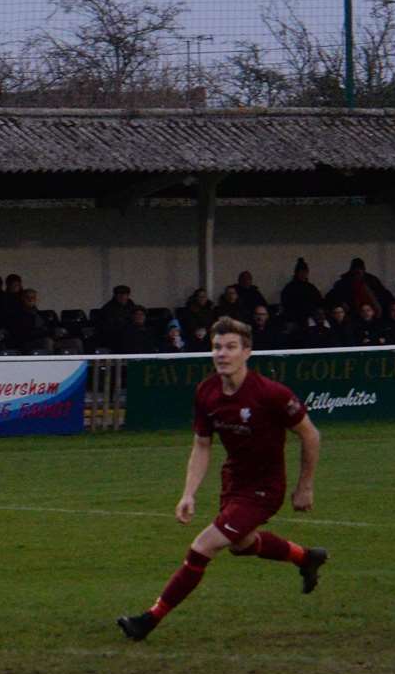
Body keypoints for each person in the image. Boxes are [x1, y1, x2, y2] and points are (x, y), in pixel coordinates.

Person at [117, 317, 326, 641]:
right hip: (234, 482)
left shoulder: (271, 393)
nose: (222, 354)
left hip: (264, 488)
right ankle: (307, 557)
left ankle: (148, 620)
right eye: (217, 347)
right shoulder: (207, 392)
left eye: (230, 347)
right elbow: (202, 445)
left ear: (247, 352)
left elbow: (310, 435)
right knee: (240, 545)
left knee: (202, 547)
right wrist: (188, 494)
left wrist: (305, 486)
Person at [279, 258, 323, 328]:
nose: (303, 274)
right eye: (301, 272)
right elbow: (286, 305)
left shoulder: (311, 288)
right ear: (297, 273)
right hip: (295, 319)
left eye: (305, 272)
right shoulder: (289, 288)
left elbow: (319, 302)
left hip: (310, 319)